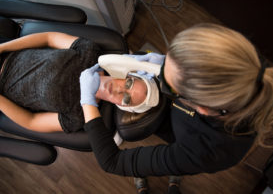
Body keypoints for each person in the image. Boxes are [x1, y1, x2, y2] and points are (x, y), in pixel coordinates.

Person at [80, 23, 273, 194]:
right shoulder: (239, 66)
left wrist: (87, 101)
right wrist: (160, 62)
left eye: (170, 84)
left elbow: (112, 162)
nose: (160, 75)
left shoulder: (204, 151)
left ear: (203, 109)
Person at [0, 32, 159, 134]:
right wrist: (2, 47)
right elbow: (48, 38)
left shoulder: (78, 116)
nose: (120, 90)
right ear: (127, 75)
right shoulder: (89, 53)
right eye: (129, 84)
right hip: (7, 52)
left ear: (123, 106)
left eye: (126, 99)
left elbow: (31, 121)